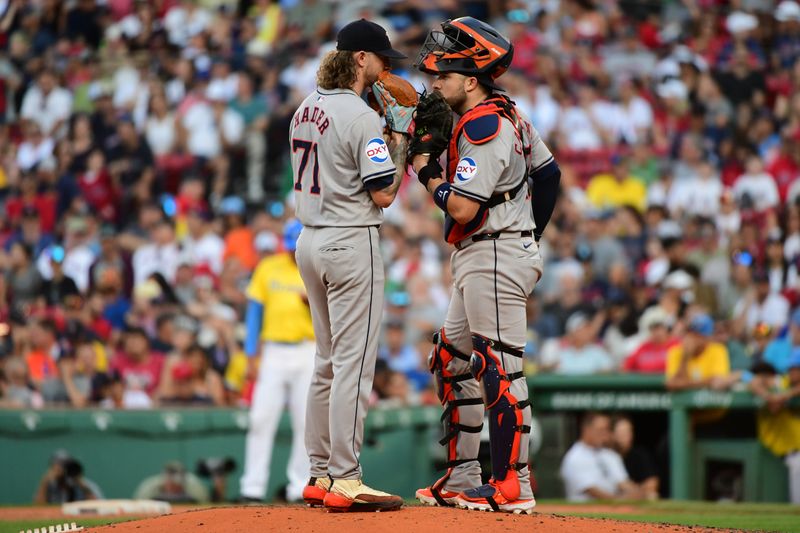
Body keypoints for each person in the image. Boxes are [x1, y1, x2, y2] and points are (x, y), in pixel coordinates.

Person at [410, 17, 560, 514]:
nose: (435, 81)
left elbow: (461, 209)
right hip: (490, 251)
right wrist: (531, 234)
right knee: (451, 357)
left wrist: (427, 172)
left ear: (471, 79)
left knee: (499, 367)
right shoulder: (509, 113)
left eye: (444, 73)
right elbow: (549, 172)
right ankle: (464, 474)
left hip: (494, 251)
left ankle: (514, 483)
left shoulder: (485, 123)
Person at [291, 19, 408, 512]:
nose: (386, 71)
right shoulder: (360, 118)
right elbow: (383, 191)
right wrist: (398, 139)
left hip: (309, 241)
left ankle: (318, 472)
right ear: (361, 59)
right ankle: (346, 478)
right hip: (349, 240)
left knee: (326, 362)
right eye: (381, 60)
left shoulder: (304, 108)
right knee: (354, 368)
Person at [238, 219, 315, 503]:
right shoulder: (268, 267)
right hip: (273, 350)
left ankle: (299, 486)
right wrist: (249, 354)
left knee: (305, 422)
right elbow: (254, 313)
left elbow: (334, 316)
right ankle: (252, 487)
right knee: (260, 418)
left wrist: (314, 304)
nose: (292, 251)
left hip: (308, 350)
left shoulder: (316, 267)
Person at [560, 412, 642, 502]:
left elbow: (623, 483)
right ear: (586, 429)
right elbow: (593, 491)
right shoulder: (574, 457)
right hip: (585, 512)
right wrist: (621, 499)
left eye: (607, 430)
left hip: (615, 509)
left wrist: (638, 493)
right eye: (600, 430)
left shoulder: (610, 454)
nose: (604, 434)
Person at [610, 415, 659, 500]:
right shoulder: (606, 455)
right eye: (621, 433)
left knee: (652, 496)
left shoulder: (640, 454)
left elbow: (652, 483)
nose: (626, 436)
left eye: (628, 432)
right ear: (612, 434)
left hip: (633, 496)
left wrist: (636, 490)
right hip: (611, 497)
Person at [35, 450, 103, 504]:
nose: (63, 469)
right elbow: (37, 508)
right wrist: (45, 482)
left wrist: (81, 484)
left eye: (66, 465)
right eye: (60, 465)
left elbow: (98, 506)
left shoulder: (85, 484)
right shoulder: (50, 485)